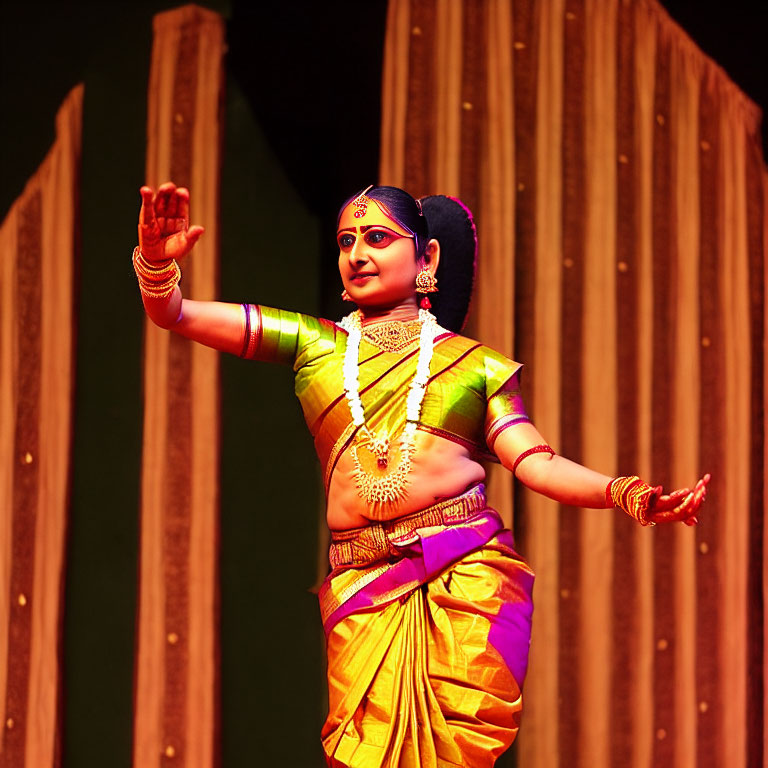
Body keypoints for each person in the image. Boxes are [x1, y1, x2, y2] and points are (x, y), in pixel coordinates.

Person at [134, 182, 709, 767]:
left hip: (463, 575)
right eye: (345, 242)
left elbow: (537, 462)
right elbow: (175, 314)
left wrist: (621, 492)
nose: (357, 253)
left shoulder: (474, 367)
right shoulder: (316, 345)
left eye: (378, 238)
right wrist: (156, 262)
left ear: (427, 257)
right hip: (363, 587)